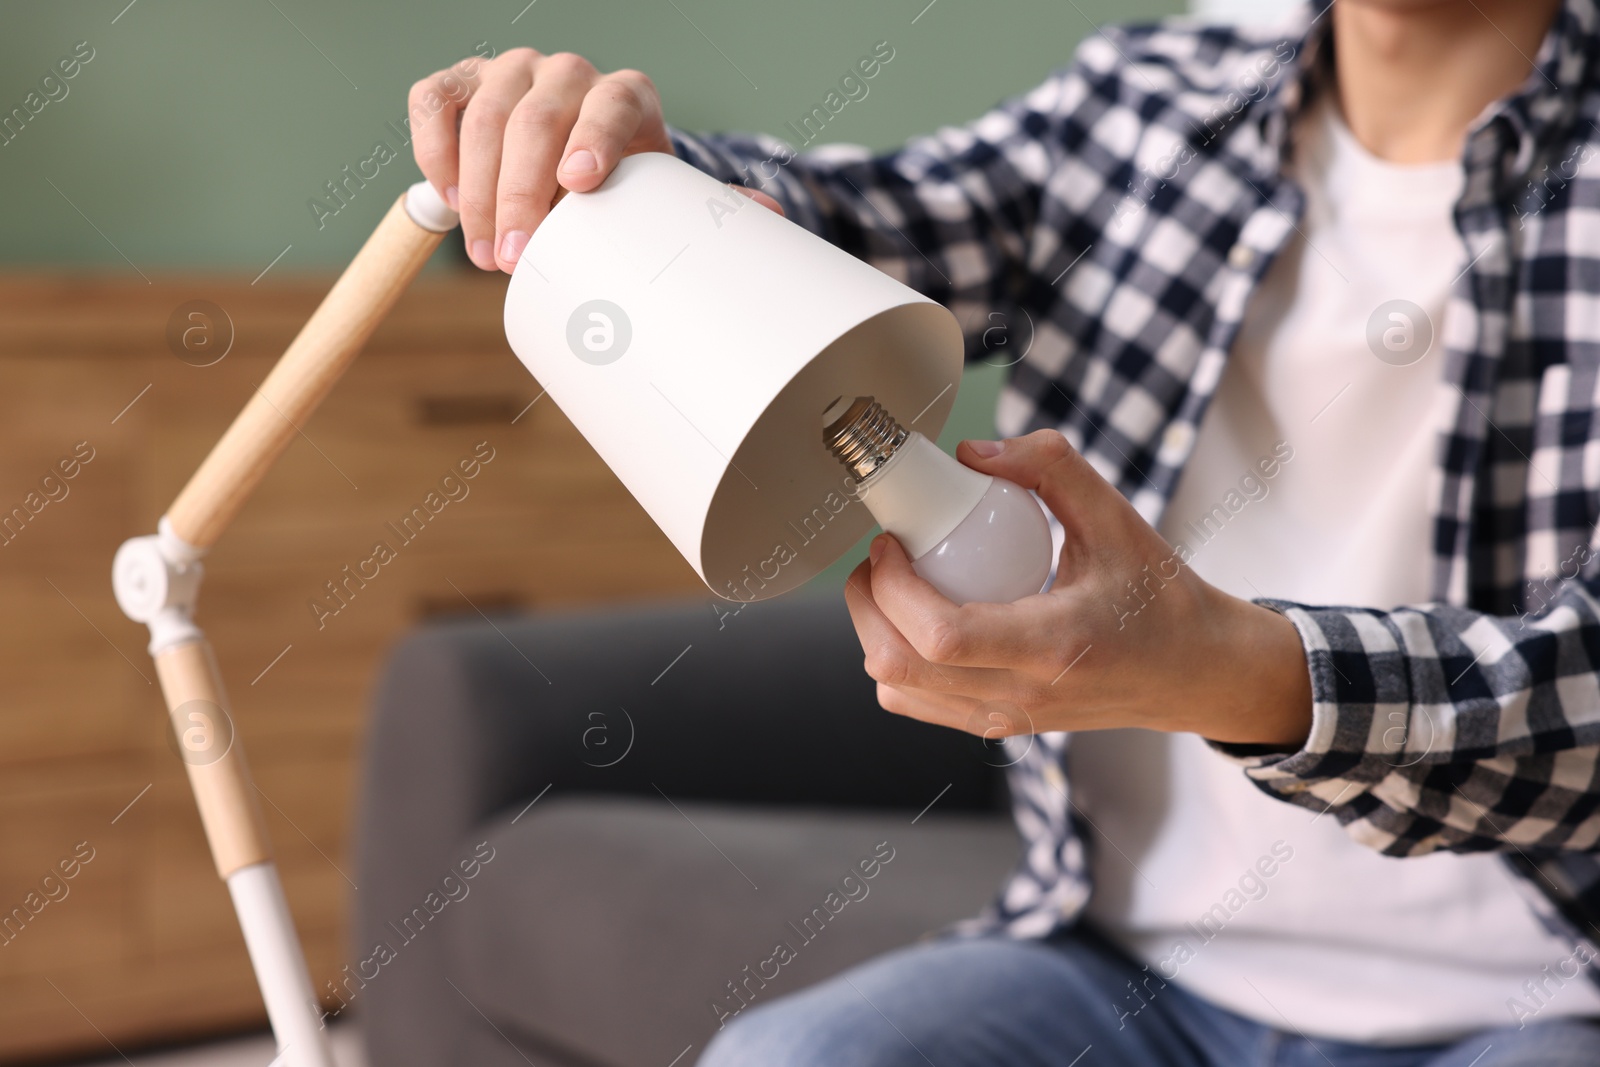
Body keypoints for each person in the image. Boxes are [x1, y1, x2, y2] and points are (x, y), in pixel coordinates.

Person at [406, 0, 1600, 1063]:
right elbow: (857, 225)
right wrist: (645, 186)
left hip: (1532, 992)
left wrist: (1220, 667)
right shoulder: (1151, 103)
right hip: (1119, 966)